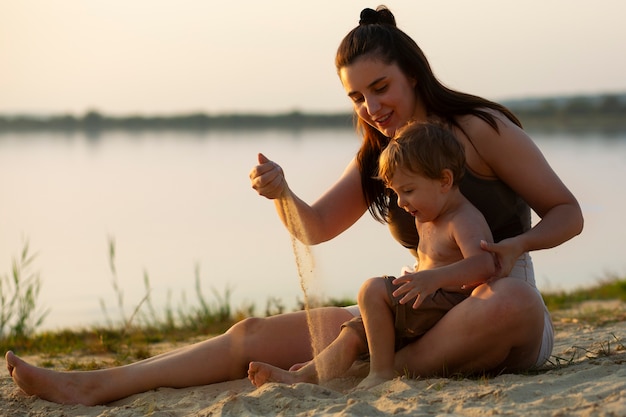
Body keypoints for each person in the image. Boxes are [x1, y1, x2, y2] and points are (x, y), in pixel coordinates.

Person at [5, 5, 583, 406]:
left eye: (380, 87)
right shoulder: (379, 160)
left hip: (492, 310)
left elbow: (567, 212)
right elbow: (315, 228)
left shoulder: (480, 129)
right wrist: (282, 194)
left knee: (512, 301)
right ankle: (95, 387)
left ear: (412, 72)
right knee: (253, 331)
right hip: (414, 314)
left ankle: (361, 373)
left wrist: (516, 246)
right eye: (356, 97)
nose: (371, 106)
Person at [248, 121, 497, 390]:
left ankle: (380, 372)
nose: (401, 202)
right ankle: (307, 375)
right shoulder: (428, 214)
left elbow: (484, 264)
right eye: (396, 192)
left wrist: (434, 279)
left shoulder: (463, 219)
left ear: (444, 181)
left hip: (446, 304)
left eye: (409, 191)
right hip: (423, 302)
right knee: (356, 331)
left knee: (372, 289)